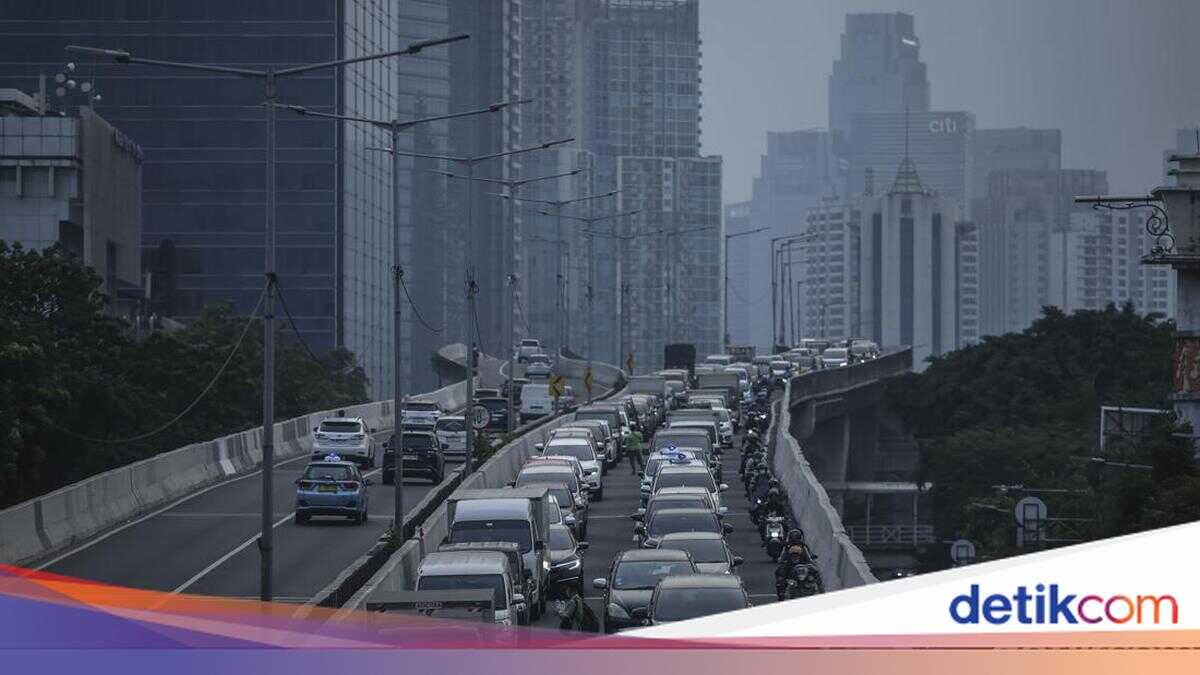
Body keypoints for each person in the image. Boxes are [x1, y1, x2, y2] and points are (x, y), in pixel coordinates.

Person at [775, 529, 821, 600]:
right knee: (780, 575)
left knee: (815, 574)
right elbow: (782, 559)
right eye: (793, 555)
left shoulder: (803, 547)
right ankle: (781, 593)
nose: (795, 557)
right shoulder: (788, 547)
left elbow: (809, 558)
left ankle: (819, 592)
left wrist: (812, 566)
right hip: (791, 569)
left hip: (802, 569)